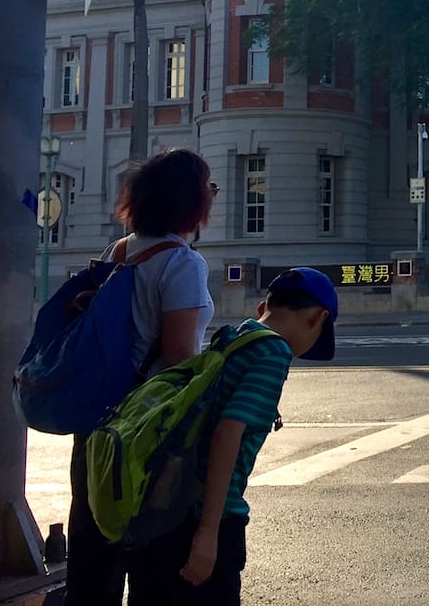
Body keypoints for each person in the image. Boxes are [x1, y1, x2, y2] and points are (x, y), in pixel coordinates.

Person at [124, 267, 338, 605]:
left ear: (262, 308)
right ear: (318, 318)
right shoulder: (273, 352)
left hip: (161, 510)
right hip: (205, 517)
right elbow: (228, 432)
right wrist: (208, 535)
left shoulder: (232, 337)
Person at [68, 149, 216, 606]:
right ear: (190, 201)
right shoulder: (181, 264)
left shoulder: (117, 252)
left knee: (93, 563)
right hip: (149, 435)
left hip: (97, 425)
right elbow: (178, 361)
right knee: (155, 568)